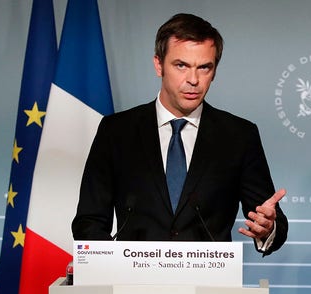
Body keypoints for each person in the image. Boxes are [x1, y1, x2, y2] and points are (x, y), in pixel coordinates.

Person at [72, 13, 288, 256]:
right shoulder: (117, 131)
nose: (193, 80)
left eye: (204, 67)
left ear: (214, 71)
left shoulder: (239, 136)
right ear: (158, 64)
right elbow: (89, 221)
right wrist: (111, 265)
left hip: (209, 286)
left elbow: (271, 222)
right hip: (133, 286)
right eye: (181, 65)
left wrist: (267, 228)